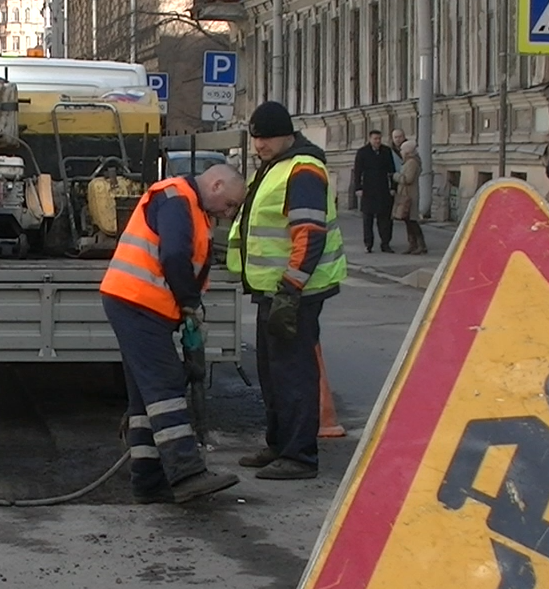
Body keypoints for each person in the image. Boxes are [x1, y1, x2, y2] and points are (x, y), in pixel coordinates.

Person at [101, 163, 248, 504]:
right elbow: (175, 255)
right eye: (229, 204)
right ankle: (186, 473)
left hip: (135, 302)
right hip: (138, 302)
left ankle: (149, 482)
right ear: (216, 184)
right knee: (165, 384)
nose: (229, 214)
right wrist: (189, 303)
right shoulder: (176, 198)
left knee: (144, 397)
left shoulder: (188, 204)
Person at [228, 102, 347, 482]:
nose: (258, 144)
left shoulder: (304, 169)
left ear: (286, 134)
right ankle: (279, 444)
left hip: (295, 292)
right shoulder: (277, 166)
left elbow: (309, 233)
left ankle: (299, 455)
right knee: (273, 371)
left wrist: (290, 288)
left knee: (292, 373)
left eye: (264, 137)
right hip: (276, 291)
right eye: (254, 137)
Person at [351, 129, 397, 253]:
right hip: (368, 189)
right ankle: (368, 243)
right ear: (370, 139)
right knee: (368, 219)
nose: (377, 141)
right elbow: (357, 171)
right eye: (375, 139)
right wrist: (358, 188)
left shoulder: (386, 151)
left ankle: (385, 243)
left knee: (385, 219)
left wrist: (393, 187)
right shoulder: (363, 152)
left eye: (379, 139)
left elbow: (392, 170)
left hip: (383, 189)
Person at [393, 140, 427, 255]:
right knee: (408, 221)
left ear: (408, 151)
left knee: (412, 221)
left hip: (410, 195)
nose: (401, 151)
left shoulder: (412, 162)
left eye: (402, 149)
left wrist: (395, 176)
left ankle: (421, 245)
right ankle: (412, 244)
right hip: (406, 193)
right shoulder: (407, 161)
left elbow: (408, 179)